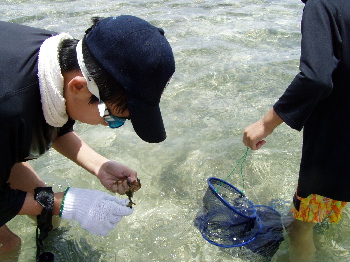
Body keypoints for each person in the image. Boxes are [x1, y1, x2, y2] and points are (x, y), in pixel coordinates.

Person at [0, 15, 175, 255]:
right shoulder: (8, 108)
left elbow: (53, 120)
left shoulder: (60, 62)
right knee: (8, 244)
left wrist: (100, 166)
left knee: (47, 216)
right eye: (112, 119)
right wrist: (69, 204)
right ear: (79, 86)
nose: (108, 125)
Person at [243, 0, 349, 261]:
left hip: (338, 146)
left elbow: (315, 77)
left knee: (298, 227)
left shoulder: (322, 4)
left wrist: (264, 125)